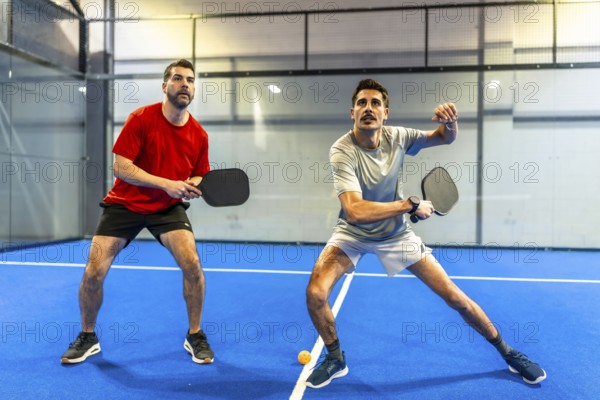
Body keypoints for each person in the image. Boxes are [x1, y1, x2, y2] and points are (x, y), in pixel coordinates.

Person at [304, 79, 546, 388]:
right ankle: (336, 359)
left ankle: (509, 353)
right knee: (315, 294)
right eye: (362, 103)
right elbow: (354, 210)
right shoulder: (342, 150)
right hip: (352, 232)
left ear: (385, 113)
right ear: (352, 112)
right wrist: (409, 204)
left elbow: (444, 138)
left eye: (375, 103)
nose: (368, 108)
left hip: (396, 235)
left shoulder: (399, 137)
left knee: (454, 297)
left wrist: (451, 123)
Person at [61, 59, 214, 365]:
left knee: (193, 264)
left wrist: (189, 185)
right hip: (124, 204)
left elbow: (200, 173)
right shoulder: (141, 118)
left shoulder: (199, 135)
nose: (185, 84)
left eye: (191, 80)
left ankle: (194, 334)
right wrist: (168, 183)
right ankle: (88, 336)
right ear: (165, 86)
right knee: (94, 271)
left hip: (167, 208)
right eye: (178, 78)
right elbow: (121, 167)